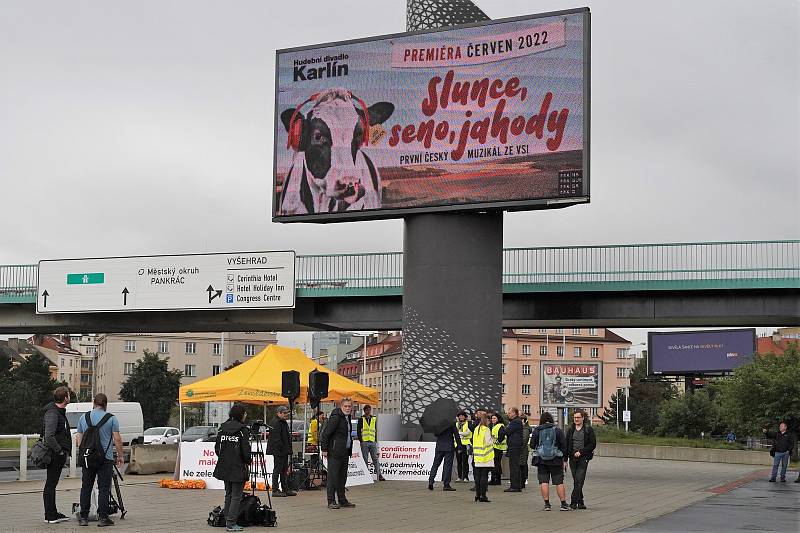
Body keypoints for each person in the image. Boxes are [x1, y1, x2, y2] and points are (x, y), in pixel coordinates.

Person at [76, 393, 124, 527]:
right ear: (106, 405)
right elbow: (118, 439)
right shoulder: (111, 418)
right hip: (105, 458)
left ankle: (84, 517)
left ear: (94, 403)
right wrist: (120, 456)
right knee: (103, 488)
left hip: (88, 457)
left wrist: (85, 452)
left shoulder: (83, 417)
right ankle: (103, 518)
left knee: (86, 487)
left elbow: (78, 439)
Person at [213, 404, 252, 532]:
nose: (245, 416)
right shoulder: (242, 430)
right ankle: (231, 523)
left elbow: (217, 449)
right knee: (236, 496)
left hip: (224, 466)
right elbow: (246, 451)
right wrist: (248, 461)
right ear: (240, 414)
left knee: (228, 494)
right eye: (245, 414)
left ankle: (226, 520)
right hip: (238, 467)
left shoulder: (222, 428)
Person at [41, 386, 72, 524]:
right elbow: (49, 436)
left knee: (51, 484)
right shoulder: (53, 413)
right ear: (65, 397)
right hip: (54, 454)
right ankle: (51, 515)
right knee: (50, 484)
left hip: (57, 453)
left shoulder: (58, 412)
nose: (70, 397)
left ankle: (52, 513)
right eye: (69, 395)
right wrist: (59, 451)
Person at [320, 398, 356, 509]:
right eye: (345, 406)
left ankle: (342, 500)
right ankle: (331, 501)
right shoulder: (336, 418)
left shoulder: (347, 417)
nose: (347, 408)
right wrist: (324, 449)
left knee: (342, 477)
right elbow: (326, 433)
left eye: (349, 406)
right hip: (335, 451)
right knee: (332, 477)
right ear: (341, 406)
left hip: (345, 451)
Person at [530, 411, 569, 512]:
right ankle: (563, 504)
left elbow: (531, 445)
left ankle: (547, 505)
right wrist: (564, 460)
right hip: (556, 460)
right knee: (559, 482)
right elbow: (564, 446)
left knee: (544, 482)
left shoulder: (537, 431)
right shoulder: (558, 430)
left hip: (541, 460)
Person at [565, 409, 597, 509]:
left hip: (583, 458)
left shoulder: (588, 429)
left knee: (579, 480)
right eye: (575, 418)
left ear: (583, 418)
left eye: (578, 417)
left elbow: (592, 444)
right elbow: (566, 445)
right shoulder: (570, 430)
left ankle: (573, 502)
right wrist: (565, 460)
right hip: (572, 458)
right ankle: (581, 501)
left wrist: (581, 452)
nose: (576, 419)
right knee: (576, 480)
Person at [267, 406, 295, 496]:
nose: (286, 415)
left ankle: (285, 489)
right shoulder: (276, 423)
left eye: (286, 413)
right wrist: (283, 448)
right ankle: (275, 490)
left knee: (283, 470)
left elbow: (285, 436)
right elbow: (276, 439)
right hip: (278, 451)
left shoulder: (283, 422)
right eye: (284, 413)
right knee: (277, 470)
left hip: (283, 450)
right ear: (279, 413)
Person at [357, 405, 385, 481]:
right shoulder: (361, 419)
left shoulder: (374, 419)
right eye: (367, 410)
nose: (368, 411)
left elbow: (375, 430)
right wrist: (361, 441)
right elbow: (358, 431)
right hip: (365, 442)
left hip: (372, 442)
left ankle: (379, 475)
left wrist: (375, 441)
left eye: (369, 410)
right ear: (364, 411)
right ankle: (366, 476)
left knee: (375, 459)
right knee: (365, 459)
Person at [428, 419, 458, 491]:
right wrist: (459, 446)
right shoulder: (451, 423)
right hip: (449, 447)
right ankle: (446, 485)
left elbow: (435, 434)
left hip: (439, 446)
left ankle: (431, 481)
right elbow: (456, 435)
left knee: (435, 464)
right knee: (447, 466)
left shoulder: (438, 423)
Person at [471, 411, 494, 503]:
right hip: (486, 456)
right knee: (484, 477)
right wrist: (493, 439)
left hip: (477, 456)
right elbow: (488, 442)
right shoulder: (486, 429)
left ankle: (477, 495)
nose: (490, 421)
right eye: (489, 420)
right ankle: (483, 496)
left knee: (477, 477)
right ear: (486, 420)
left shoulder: (477, 429)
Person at [504, 407, 523, 492]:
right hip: (514, 446)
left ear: (514, 413)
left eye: (510, 413)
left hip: (514, 446)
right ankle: (516, 485)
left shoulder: (515, 422)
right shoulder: (515, 421)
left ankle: (515, 486)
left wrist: (504, 429)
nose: (508, 414)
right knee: (514, 466)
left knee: (514, 466)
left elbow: (507, 431)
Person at [455, 411, 472, 483]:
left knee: (465, 461)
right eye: (460, 416)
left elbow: (468, 433)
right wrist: (461, 434)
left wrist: (459, 433)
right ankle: (459, 477)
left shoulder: (468, 424)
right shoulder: (456, 424)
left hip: (466, 444)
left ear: (465, 417)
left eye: (463, 416)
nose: (461, 417)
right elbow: (454, 434)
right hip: (458, 444)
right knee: (459, 461)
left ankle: (465, 477)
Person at [489, 413, 506, 485]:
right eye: (492, 418)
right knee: (497, 464)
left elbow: (501, 436)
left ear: (498, 419)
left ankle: (494, 479)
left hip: (497, 448)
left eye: (494, 418)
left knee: (495, 464)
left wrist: (497, 442)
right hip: (496, 447)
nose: (493, 420)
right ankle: (497, 480)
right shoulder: (494, 426)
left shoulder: (500, 426)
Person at [520, 414, 532, 488]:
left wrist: (519, 447)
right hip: (523, 449)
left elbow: (524, 439)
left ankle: (523, 481)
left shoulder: (525, 429)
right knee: (523, 465)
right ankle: (522, 481)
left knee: (522, 465)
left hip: (522, 450)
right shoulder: (524, 428)